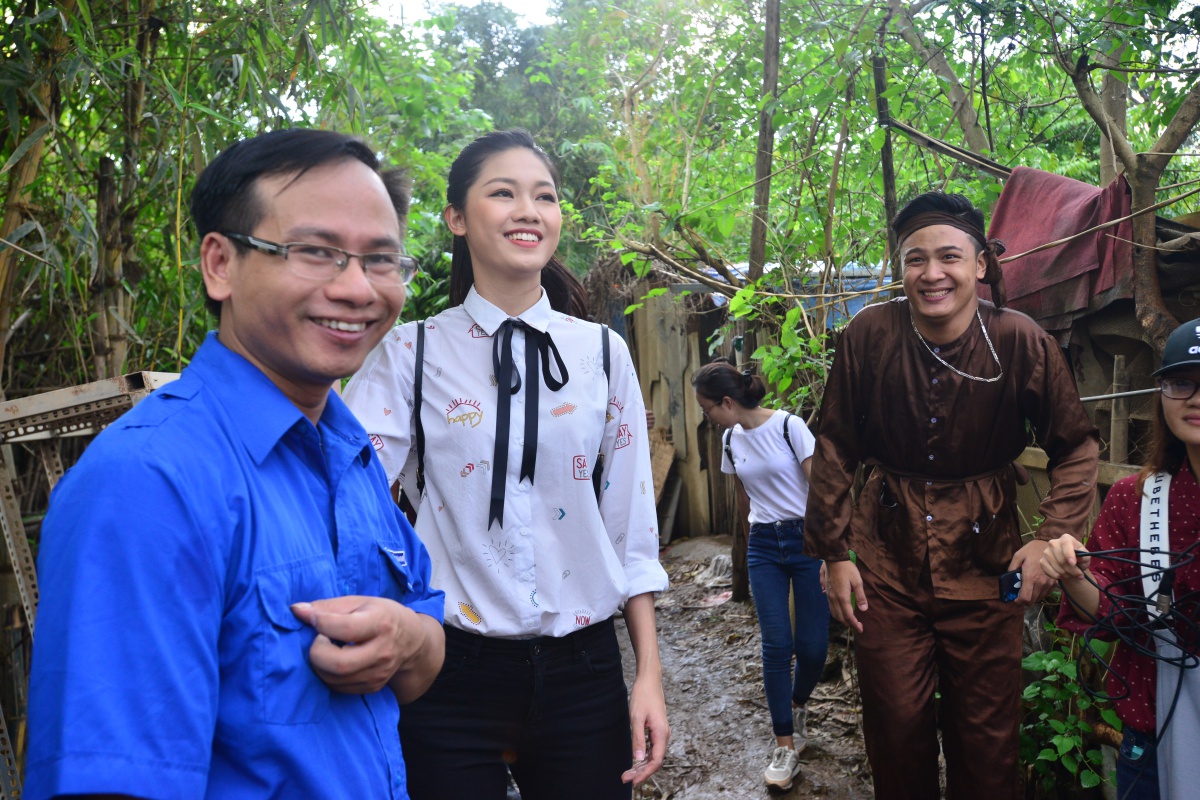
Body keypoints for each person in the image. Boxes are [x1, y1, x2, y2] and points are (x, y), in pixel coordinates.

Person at [25, 129, 446, 799]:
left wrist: (408, 637)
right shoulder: (148, 483)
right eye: (316, 252)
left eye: (381, 259)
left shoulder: (348, 448)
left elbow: (423, 650)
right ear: (220, 264)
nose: (358, 288)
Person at [344, 129, 669, 800]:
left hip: (584, 673)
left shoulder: (603, 354)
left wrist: (648, 677)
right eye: (504, 193)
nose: (529, 210)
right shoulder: (411, 355)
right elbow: (344, 503)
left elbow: (629, 527)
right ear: (457, 219)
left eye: (544, 196)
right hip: (449, 672)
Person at [805, 191, 1100, 799]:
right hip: (886, 561)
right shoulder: (868, 336)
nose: (932, 274)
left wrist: (1048, 537)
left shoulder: (1020, 341)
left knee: (988, 738)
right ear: (899, 268)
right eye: (916, 259)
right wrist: (834, 555)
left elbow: (1075, 446)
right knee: (896, 726)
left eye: (949, 257)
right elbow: (834, 446)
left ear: (981, 264)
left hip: (989, 561)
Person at [1042, 318, 1200, 800]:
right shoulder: (1137, 498)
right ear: (1161, 394)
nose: (1194, 398)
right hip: (1154, 730)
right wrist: (1073, 574)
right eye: (1181, 383)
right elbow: (1109, 613)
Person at [691, 360, 828, 791]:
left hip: (808, 543)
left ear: (728, 402)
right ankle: (784, 744)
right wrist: (753, 543)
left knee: (813, 649)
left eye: (707, 409)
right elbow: (743, 500)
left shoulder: (790, 427)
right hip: (765, 547)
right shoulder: (731, 440)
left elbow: (821, 493)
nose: (707, 418)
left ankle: (797, 704)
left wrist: (830, 554)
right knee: (776, 645)